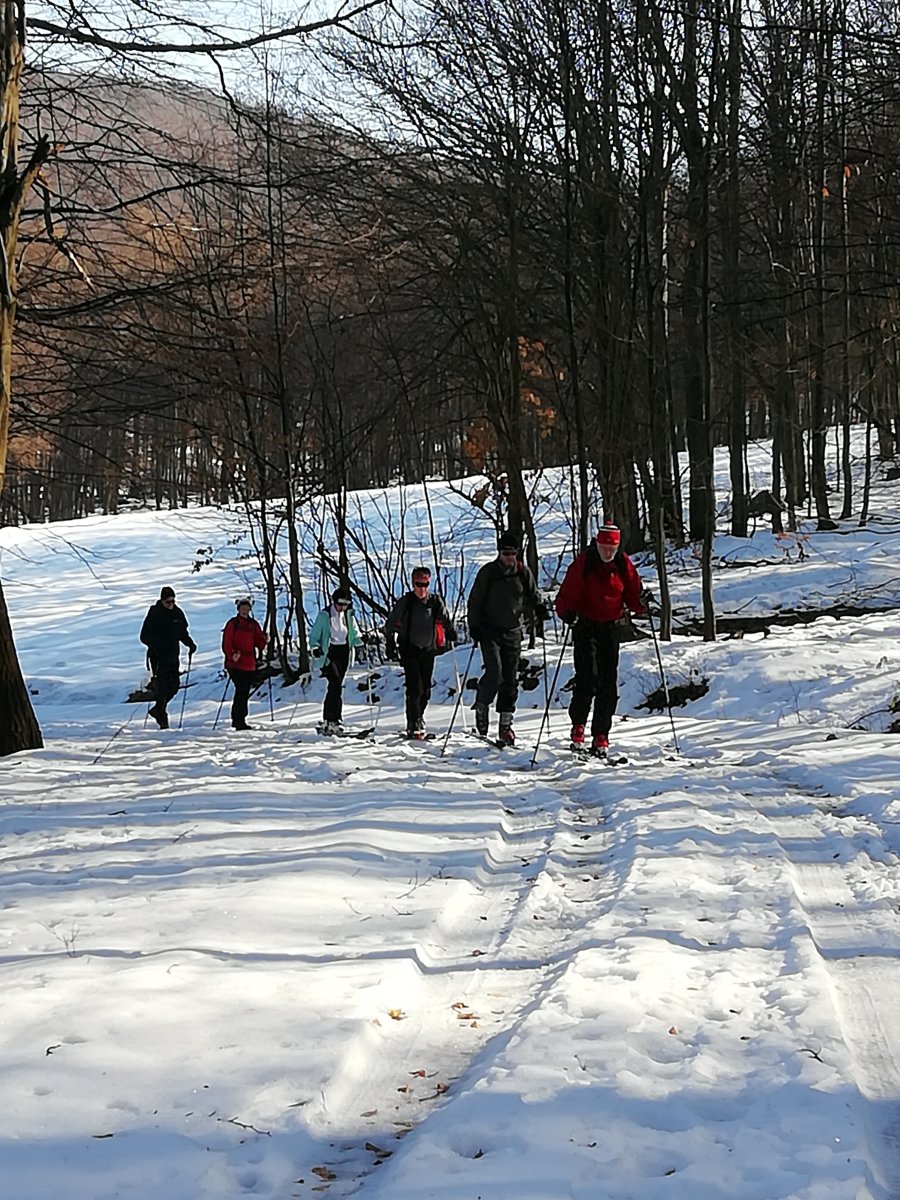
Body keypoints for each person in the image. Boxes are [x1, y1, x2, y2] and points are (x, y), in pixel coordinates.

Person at [554, 523, 648, 756]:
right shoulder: (584, 563)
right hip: (585, 626)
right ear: (597, 544)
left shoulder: (622, 564)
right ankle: (578, 726)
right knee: (588, 678)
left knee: (608, 681)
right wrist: (567, 613)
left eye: (612, 548)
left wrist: (642, 603)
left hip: (610, 628)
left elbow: (633, 595)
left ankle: (601, 734)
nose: (608, 552)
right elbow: (567, 594)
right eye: (605, 547)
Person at [467, 532, 547, 746]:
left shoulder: (522, 572)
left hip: (513, 630)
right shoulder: (488, 573)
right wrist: (473, 625)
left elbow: (533, 593)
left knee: (510, 678)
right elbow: (475, 601)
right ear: (499, 553)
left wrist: (539, 607)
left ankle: (505, 724)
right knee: (495, 673)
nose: (509, 557)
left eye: (513, 553)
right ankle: (482, 705)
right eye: (506, 553)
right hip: (489, 629)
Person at [385, 566, 456, 739]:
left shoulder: (435, 601)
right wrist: (390, 644)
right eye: (418, 584)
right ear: (413, 583)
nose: (422, 588)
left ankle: (419, 717)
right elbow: (391, 623)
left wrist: (450, 630)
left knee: (425, 689)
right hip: (409, 648)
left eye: (425, 584)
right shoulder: (406, 602)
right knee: (414, 687)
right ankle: (413, 721)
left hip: (428, 649)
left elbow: (444, 617)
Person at [139, 585, 197, 729]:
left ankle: (158, 709)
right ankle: (163, 720)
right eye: (168, 602)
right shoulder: (154, 613)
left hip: (173, 655)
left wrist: (190, 644)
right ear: (162, 600)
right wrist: (157, 644)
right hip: (158, 657)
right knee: (162, 686)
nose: (171, 604)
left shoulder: (177, 613)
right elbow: (144, 636)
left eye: (173, 601)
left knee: (175, 686)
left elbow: (182, 632)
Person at [309, 588, 363, 733]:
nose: (342, 607)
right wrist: (315, 648)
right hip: (329, 653)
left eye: (345, 604)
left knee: (337, 684)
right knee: (334, 683)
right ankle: (331, 718)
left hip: (344, 652)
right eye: (340, 604)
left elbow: (354, 634)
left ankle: (333, 718)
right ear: (334, 602)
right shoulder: (324, 615)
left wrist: (361, 640)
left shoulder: (349, 615)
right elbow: (314, 636)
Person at [221, 597, 268, 731]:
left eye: (246, 608)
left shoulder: (253, 624)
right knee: (241, 689)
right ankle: (238, 719)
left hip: (249, 663)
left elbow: (259, 642)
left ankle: (239, 719)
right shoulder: (233, 624)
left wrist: (265, 640)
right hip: (235, 663)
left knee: (243, 691)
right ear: (238, 609)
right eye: (242, 608)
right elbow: (226, 642)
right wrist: (232, 654)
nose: (244, 611)